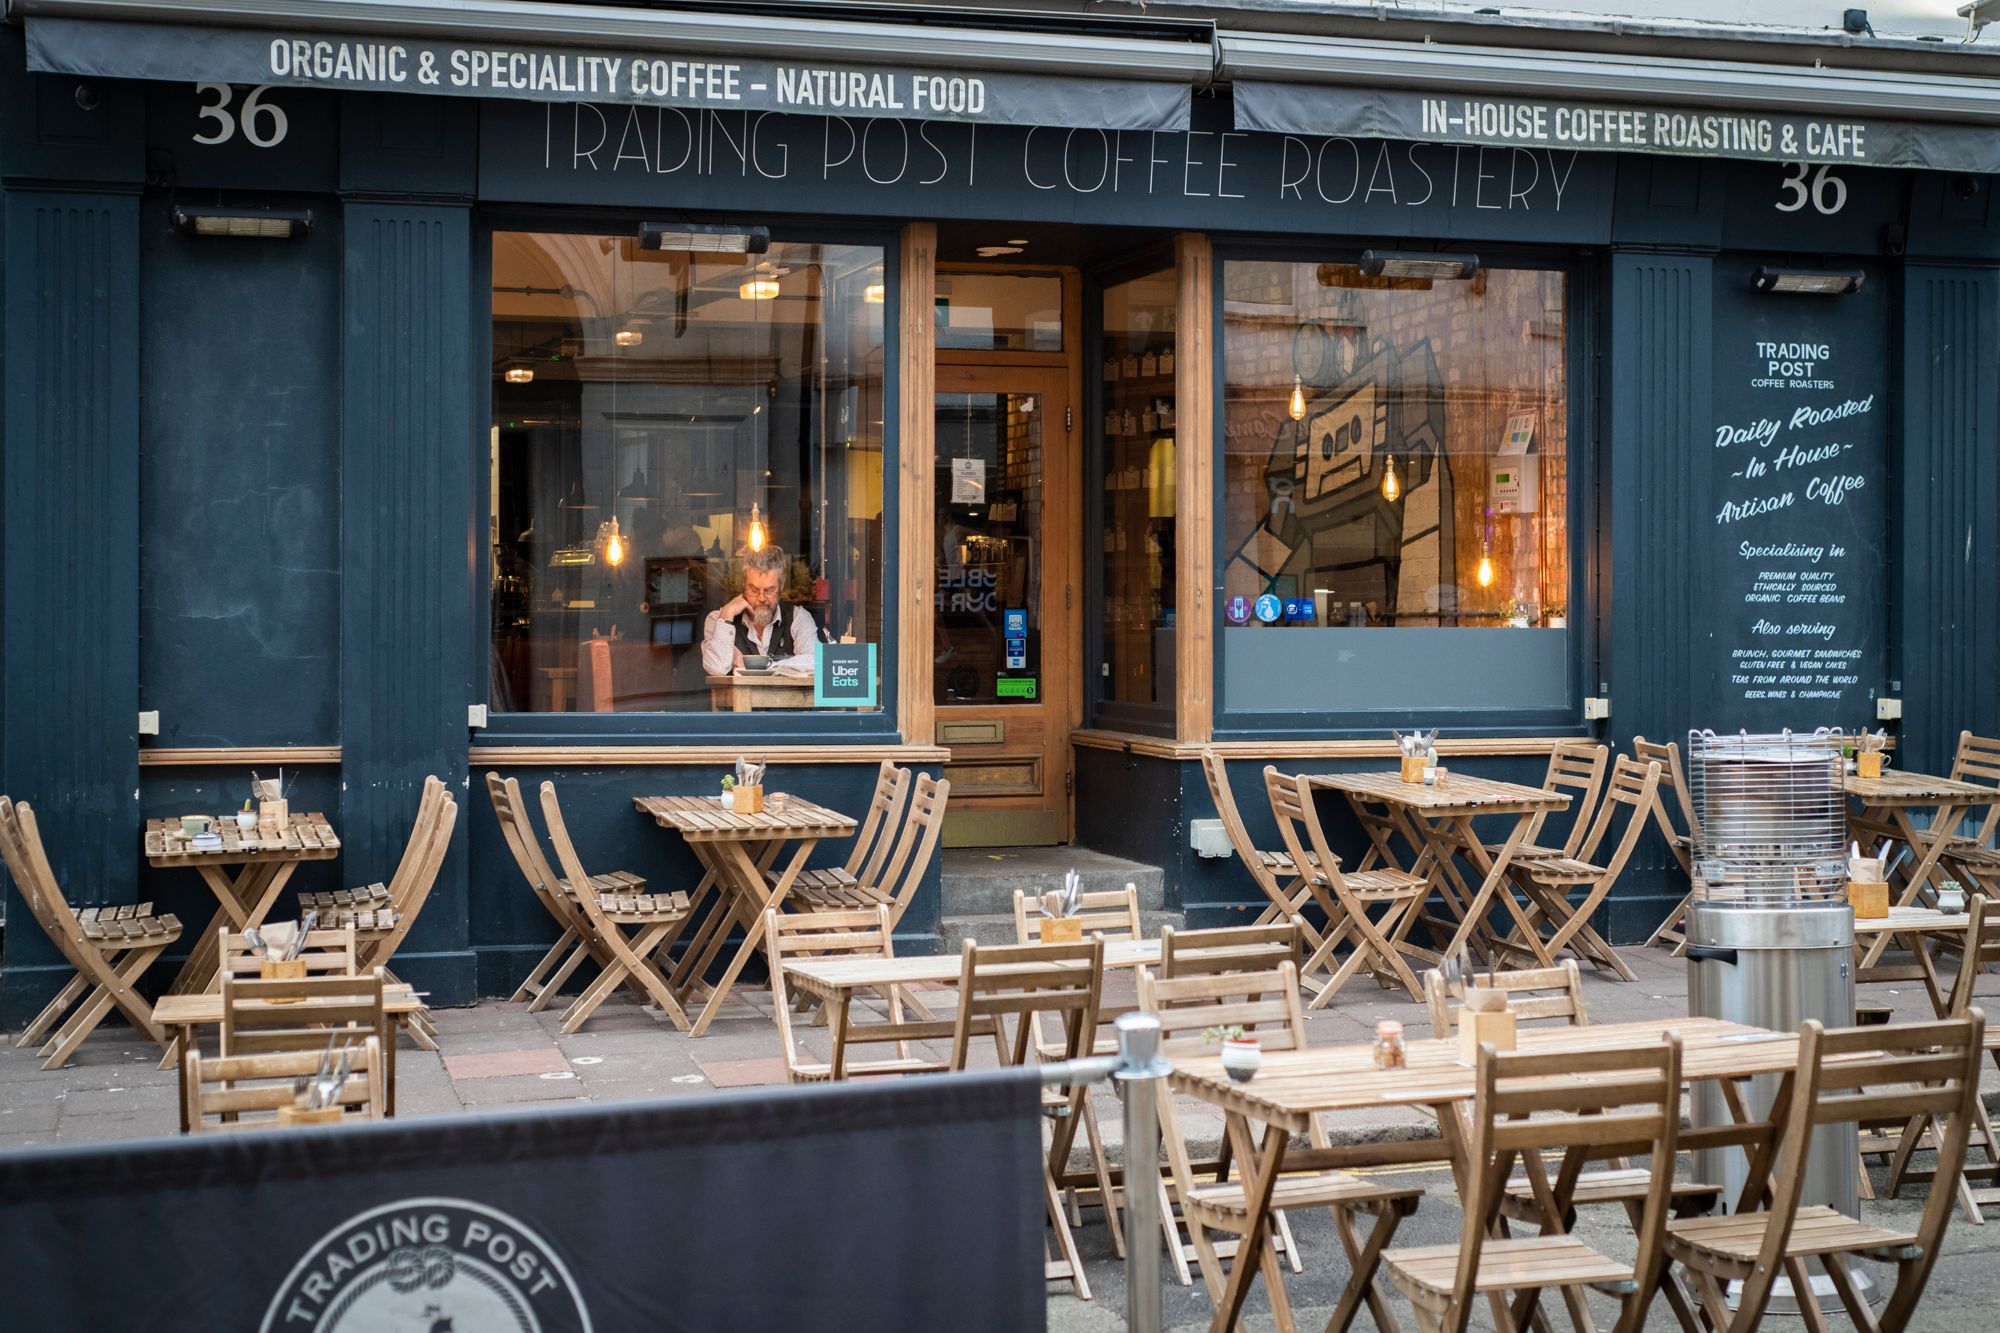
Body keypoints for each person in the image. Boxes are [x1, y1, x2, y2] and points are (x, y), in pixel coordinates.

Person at [701, 544, 818, 674]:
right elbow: (717, 668)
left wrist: (767, 666)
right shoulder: (718, 619)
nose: (761, 598)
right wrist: (727, 614)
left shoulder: (798, 617)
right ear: (744, 584)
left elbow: (815, 661)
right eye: (754, 590)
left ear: (781, 586)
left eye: (769, 590)